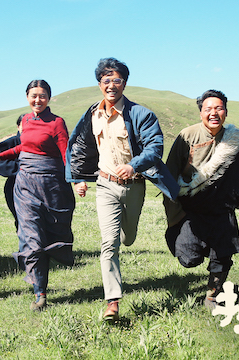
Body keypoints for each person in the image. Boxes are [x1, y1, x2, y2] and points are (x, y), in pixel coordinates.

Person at [66, 58, 179, 321]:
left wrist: (133, 165)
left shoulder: (141, 114)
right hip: (105, 185)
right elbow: (81, 146)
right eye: (106, 80)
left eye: (117, 80)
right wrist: (78, 177)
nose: (111, 85)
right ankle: (112, 302)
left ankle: (128, 236)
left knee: (128, 238)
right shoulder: (92, 114)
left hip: (134, 186)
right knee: (109, 243)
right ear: (99, 84)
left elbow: (155, 148)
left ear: (124, 83)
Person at [163, 90, 239, 309]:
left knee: (223, 255)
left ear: (226, 112)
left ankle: (213, 295)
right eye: (208, 109)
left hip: (223, 208)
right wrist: (173, 212)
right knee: (189, 258)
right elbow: (170, 172)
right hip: (192, 209)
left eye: (218, 108)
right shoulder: (187, 136)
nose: (213, 113)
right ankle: (176, 236)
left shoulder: (236, 141)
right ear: (200, 112)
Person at [0, 80, 75, 311]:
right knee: (31, 238)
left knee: (51, 235)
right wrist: (2, 156)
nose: (38, 100)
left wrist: (75, 181)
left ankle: (43, 280)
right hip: (25, 186)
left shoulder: (57, 122)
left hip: (52, 186)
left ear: (49, 98)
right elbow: (24, 148)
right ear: (27, 97)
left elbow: (66, 153)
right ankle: (40, 292)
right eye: (33, 95)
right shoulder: (25, 120)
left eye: (42, 96)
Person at [0, 114, 24, 229]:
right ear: (18, 126)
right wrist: (20, 168)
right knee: (20, 218)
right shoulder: (10, 143)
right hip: (14, 185)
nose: (26, 127)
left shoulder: (38, 142)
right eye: (23, 125)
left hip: (35, 184)